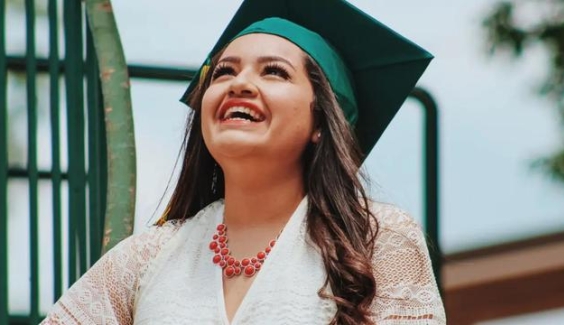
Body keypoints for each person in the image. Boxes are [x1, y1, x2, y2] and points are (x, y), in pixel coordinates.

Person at [42, 0, 445, 324]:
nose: (239, 83)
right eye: (222, 72)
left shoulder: (376, 241)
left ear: (321, 119)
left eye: (274, 72)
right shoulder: (147, 257)